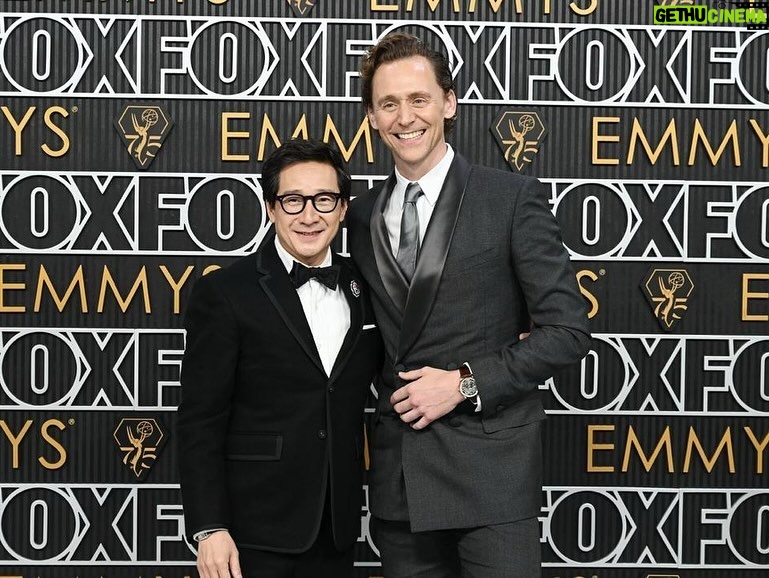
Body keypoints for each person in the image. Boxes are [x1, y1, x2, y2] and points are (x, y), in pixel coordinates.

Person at [347, 32, 592, 576]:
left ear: (449, 103)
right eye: (388, 103)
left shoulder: (509, 197)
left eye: (419, 99)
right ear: (371, 116)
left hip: (492, 474)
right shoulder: (359, 216)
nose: (405, 117)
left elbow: (568, 332)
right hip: (401, 478)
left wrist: (462, 383)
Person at [177, 140, 382, 578]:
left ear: (343, 208)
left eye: (324, 200)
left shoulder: (367, 286)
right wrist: (209, 527)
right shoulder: (226, 293)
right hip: (253, 531)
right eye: (293, 201)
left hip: (338, 527)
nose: (310, 216)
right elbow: (199, 419)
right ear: (271, 208)